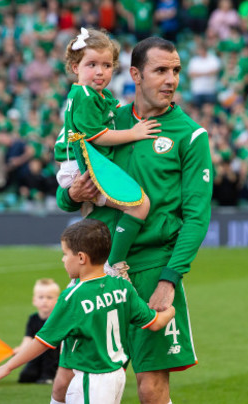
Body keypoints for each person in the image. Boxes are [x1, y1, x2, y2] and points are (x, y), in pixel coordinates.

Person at [55, 37, 213, 404]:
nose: (170, 79)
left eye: (175, 70)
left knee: (151, 389)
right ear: (136, 74)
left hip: (151, 270)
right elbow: (70, 189)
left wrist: (170, 280)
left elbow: (196, 219)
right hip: (97, 271)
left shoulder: (190, 135)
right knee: (69, 386)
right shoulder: (105, 121)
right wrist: (71, 194)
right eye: (160, 70)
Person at [0, 219, 175, 404]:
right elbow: (155, 322)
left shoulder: (73, 297)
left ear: (81, 258)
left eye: (65, 254)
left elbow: (43, 341)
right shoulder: (123, 287)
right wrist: (171, 310)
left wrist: (8, 366)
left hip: (90, 380)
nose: (62, 259)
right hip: (117, 377)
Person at [54, 27, 160, 278]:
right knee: (139, 205)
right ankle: (113, 264)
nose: (100, 72)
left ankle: (111, 263)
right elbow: (97, 135)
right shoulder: (85, 97)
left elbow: (109, 116)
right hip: (81, 169)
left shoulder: (99, 96)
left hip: (85, 166)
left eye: (107, 65)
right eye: (91, 64)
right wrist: (134, 133)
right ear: (75, 68)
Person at [14, 278, 61, 384]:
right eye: (41, 297)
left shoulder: (57, 319)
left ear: (57, 300)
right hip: (37, 355)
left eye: (49, 297)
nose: (44, 301)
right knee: (25, 377)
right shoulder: (33, 319)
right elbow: (27, 340)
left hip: (54, 356)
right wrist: (19, 350)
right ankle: (41, 374)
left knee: (48, 347)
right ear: (34, 300)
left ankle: (49, 376)